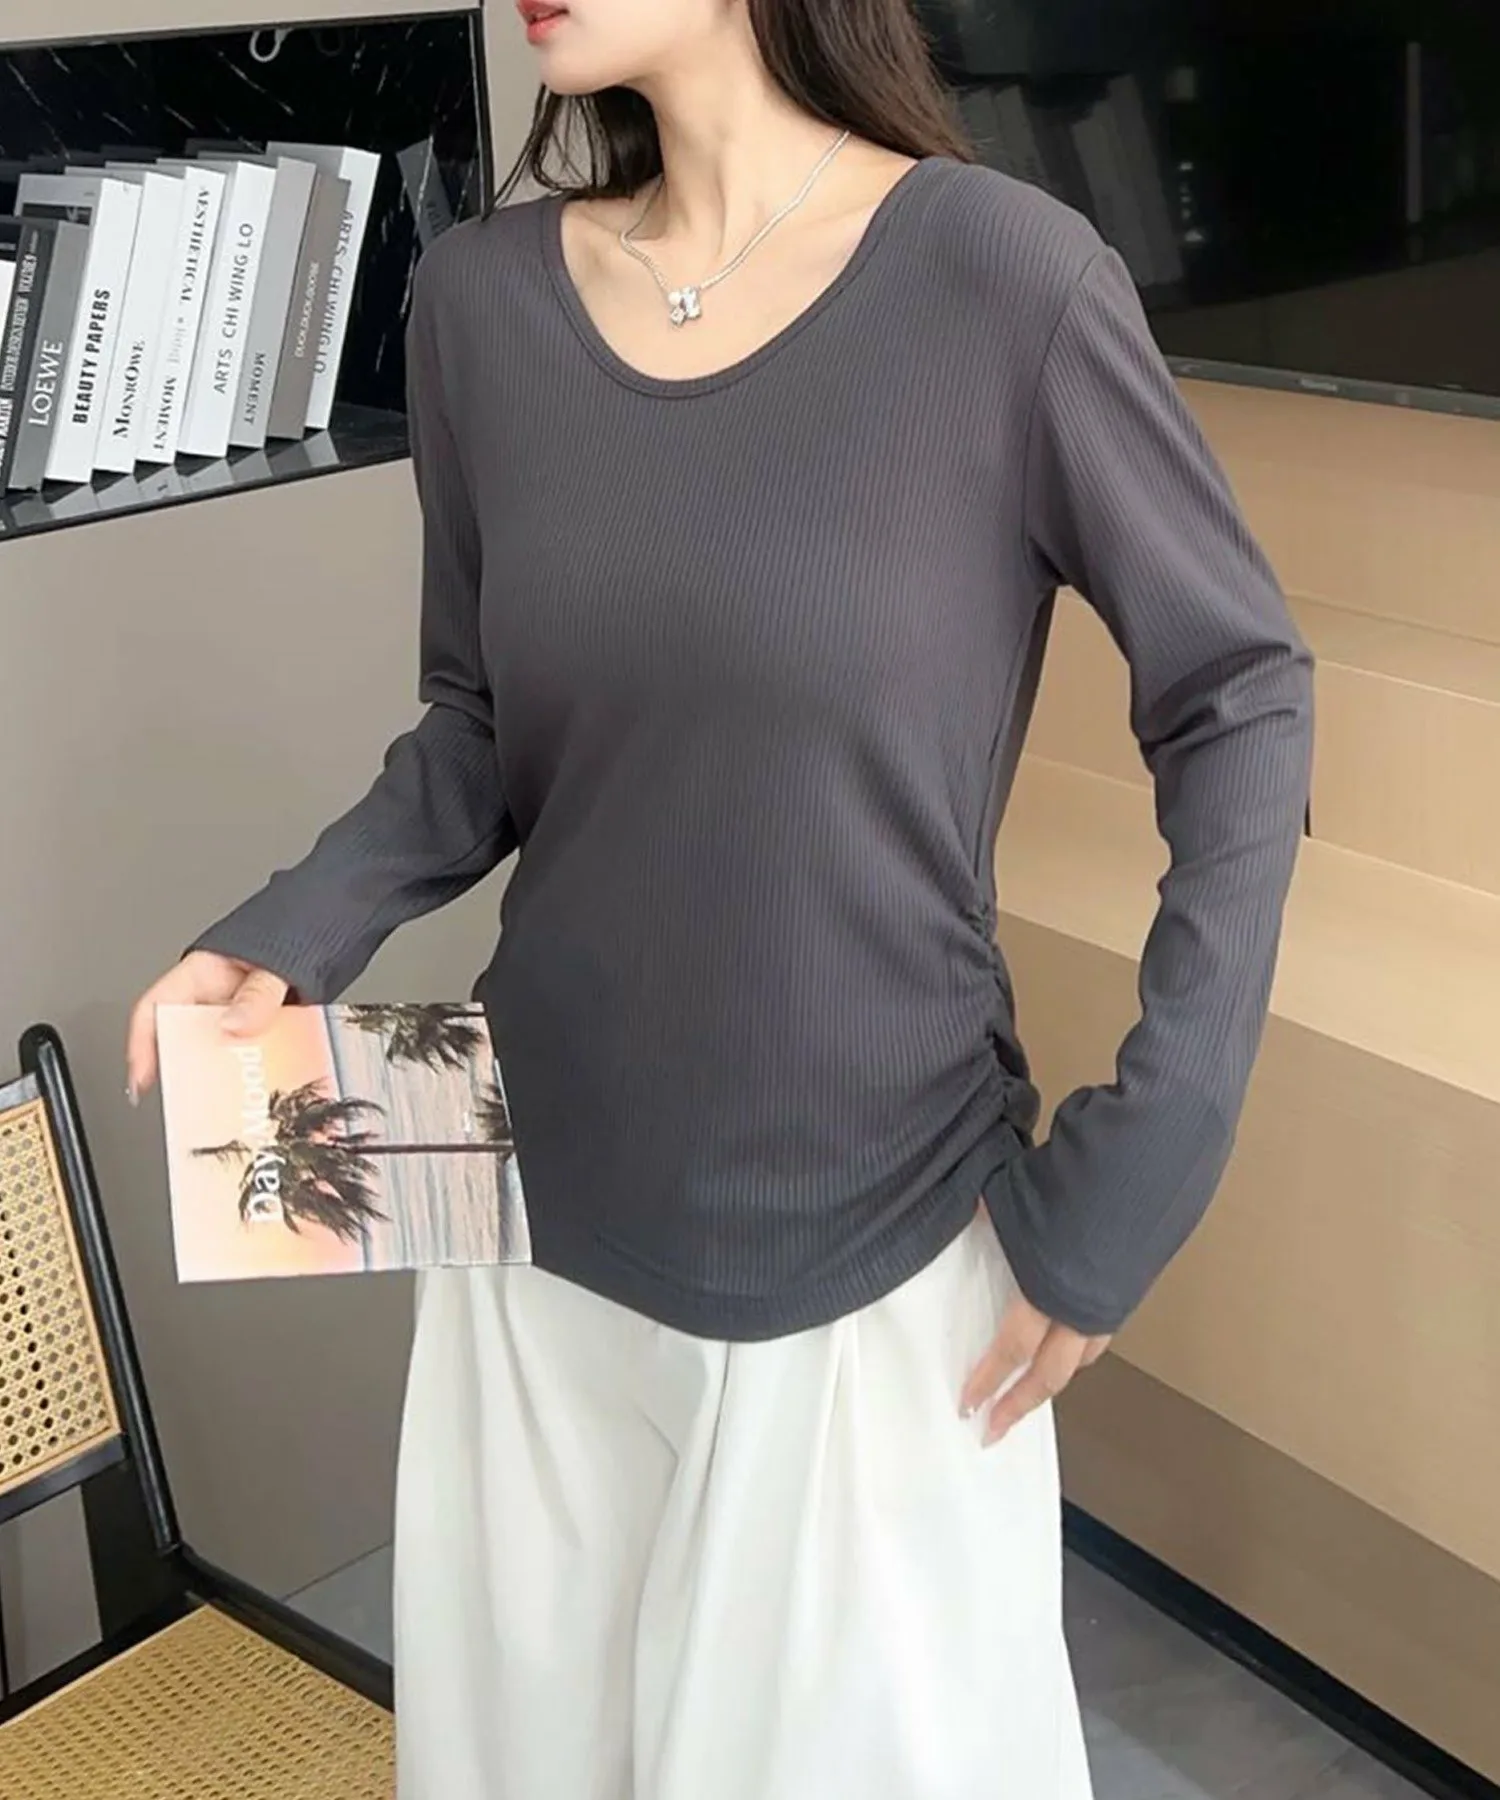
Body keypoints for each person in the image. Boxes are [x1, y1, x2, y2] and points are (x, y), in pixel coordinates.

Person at [126, 2, 1315, 1795]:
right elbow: (481, 726)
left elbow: (1242, 693)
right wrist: (278, 936)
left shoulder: (1004, 281)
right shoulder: (479, 304)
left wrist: (1161, 1140)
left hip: (871, 1270)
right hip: (530, 1255)